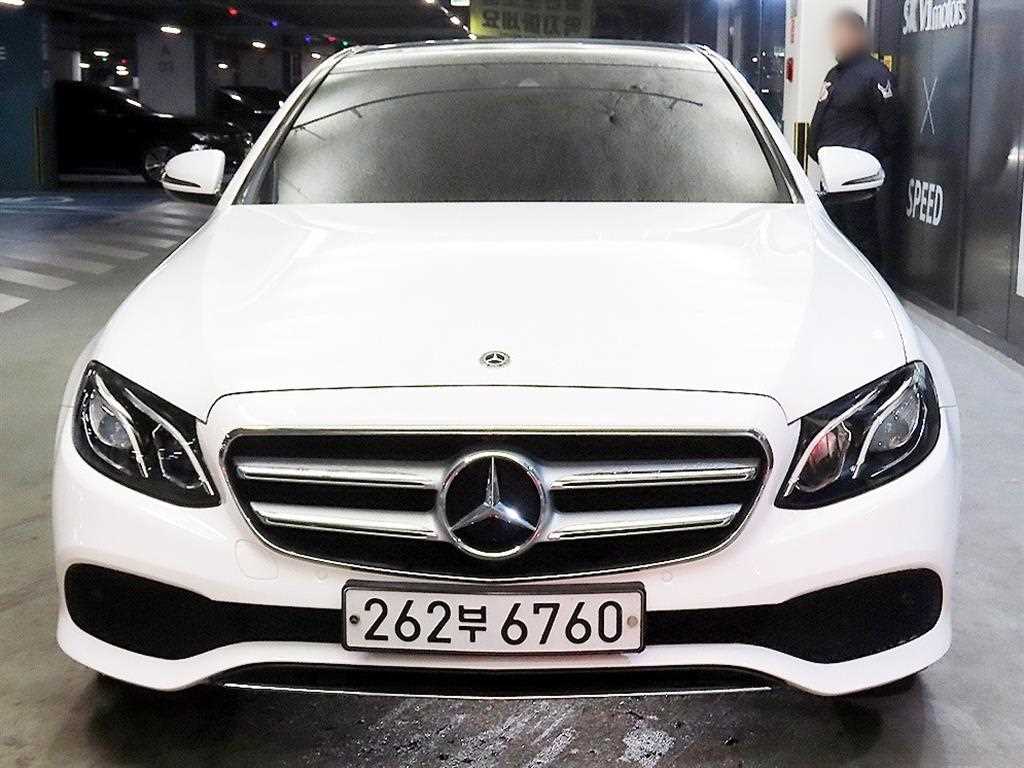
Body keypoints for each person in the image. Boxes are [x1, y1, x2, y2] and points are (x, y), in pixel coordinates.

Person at [808, 9, 902, 268]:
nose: (837, 40)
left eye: (842, 34)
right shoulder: (835, 74)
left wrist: (868, 160)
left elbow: (892, 127)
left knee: (861, 242)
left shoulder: (875, 75)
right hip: (830, 178)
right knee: (833, 242)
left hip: (857, 182)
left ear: (858, 36)